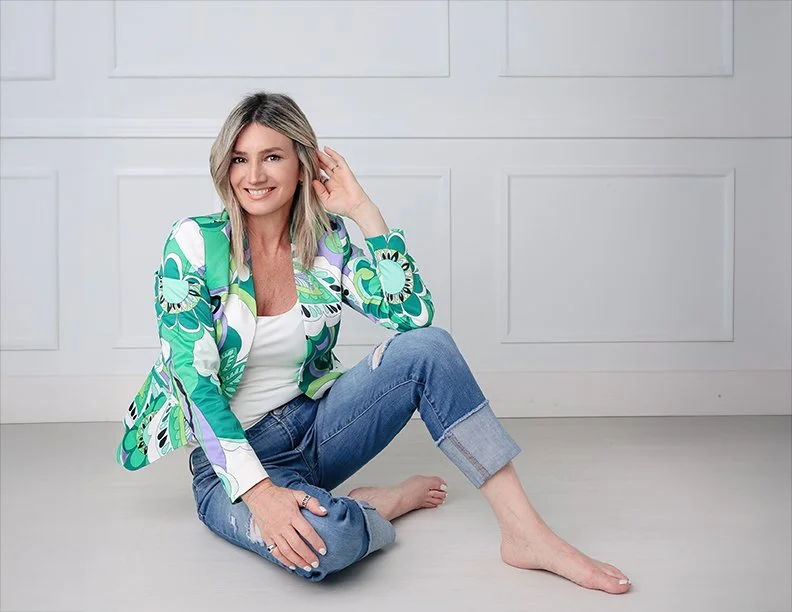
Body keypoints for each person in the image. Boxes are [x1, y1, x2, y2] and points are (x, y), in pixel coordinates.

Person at [116, 91, 631, 593]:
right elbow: (193, 383)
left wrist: (364, 210)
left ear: (302, 163)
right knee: (326, 544)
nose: (254, 176)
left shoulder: (325, 244)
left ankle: (526, 532)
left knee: (429, 347)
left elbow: (414, 316)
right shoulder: (194, 244)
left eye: (271, 157)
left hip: (316, 425)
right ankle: (377, 506)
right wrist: (261, 494)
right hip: (228, 466)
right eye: (240, 159)